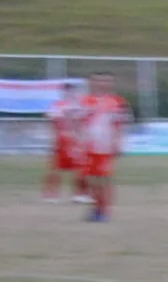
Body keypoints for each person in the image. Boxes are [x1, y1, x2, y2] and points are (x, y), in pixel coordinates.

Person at [76, 73, 130, 224]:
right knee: (89, 179)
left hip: (105, 147)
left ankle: (103, 211)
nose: (102, 83)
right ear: (92, 82)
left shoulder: (117, 102)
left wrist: (118, 142)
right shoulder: (85, 101)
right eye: (99, 80)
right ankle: (96, 207)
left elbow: (120, 124)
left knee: (103, 178)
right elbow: (78, 122)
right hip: (88, 145)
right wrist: (77, 141)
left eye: (106, 81)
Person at [40, 79, 86, 205]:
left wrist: (82, 138)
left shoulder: (80, 105)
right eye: (66, 91)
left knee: (81, 168)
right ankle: (50, 194)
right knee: (55, 168)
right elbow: (52, 122)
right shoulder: (57, 105)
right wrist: (52, 139)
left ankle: (79, 194)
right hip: (61, 140)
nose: (69, 93)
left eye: (71, 90)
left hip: (76, 141)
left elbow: (83, 123)